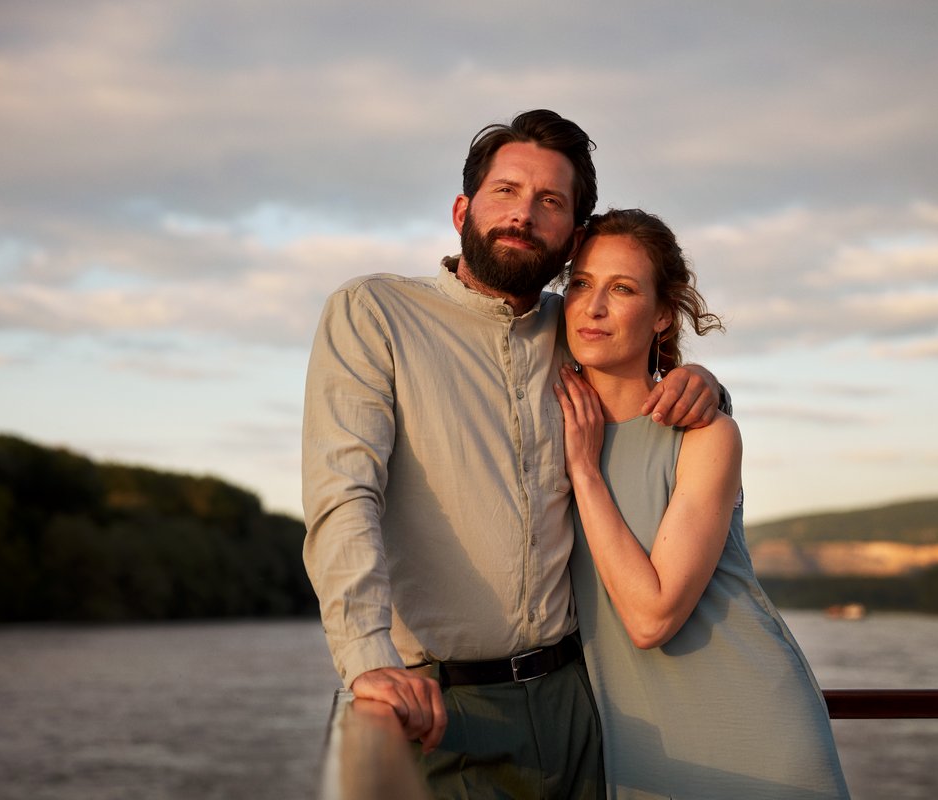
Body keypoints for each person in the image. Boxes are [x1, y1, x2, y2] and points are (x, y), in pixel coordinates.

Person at [302, 111, 725, 798]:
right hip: (438, 709)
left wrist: (702, 382)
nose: (523, 215)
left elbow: (649, 368)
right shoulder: (374, 313)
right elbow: (344, 494)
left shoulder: (577, 326)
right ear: (462, 208)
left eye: (550, 202)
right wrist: (367, 661)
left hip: (576, 704)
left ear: (574, 235)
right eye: (506, 192)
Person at [555, 209, 850, 799]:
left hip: (757, 738)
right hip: (642, 750)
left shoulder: (706, 435)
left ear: (663, 314)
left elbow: (652, 616)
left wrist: (585, 473)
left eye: (623, 289)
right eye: (581, 284)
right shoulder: (547, 423)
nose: (593, 307)